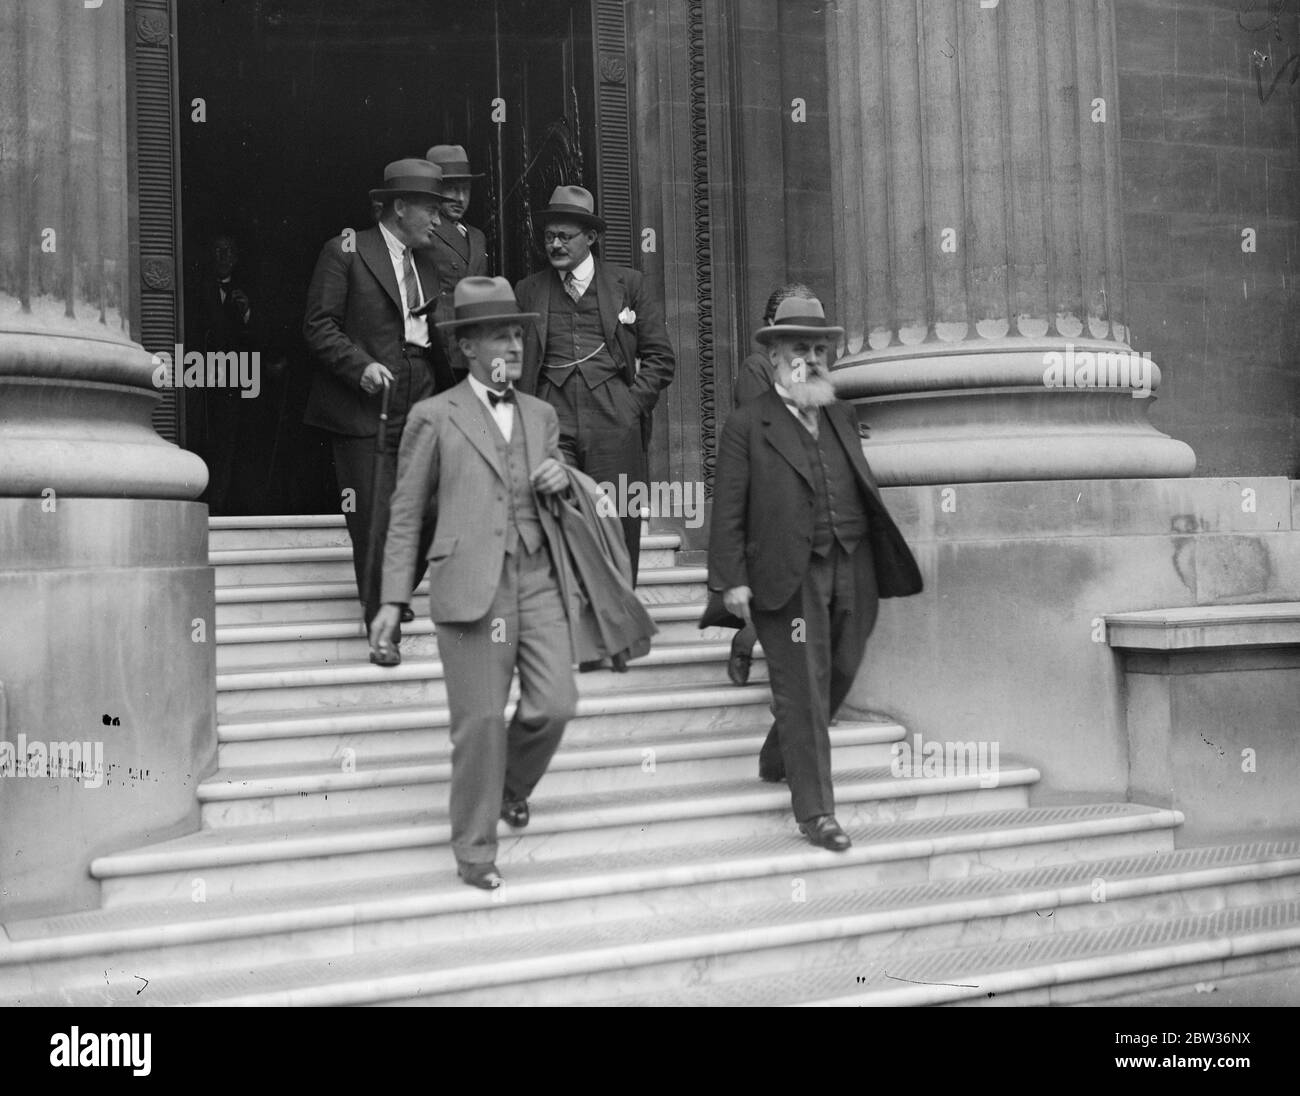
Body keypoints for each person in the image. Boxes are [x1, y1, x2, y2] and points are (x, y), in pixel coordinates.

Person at [371, 276, 578, 890]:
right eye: (498, 336)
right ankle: (474, 848)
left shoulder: (541, 415)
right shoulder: (432, 416)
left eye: (517, 333)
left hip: (535, 575)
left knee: (555, 704)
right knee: (482, 720)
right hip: (467, 583)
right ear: (466, 348)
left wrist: (559, 477)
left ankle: (508, 786)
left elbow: (556, 483)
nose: (513, 346)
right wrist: (391, 600)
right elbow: (405, 513)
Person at [707, 294, 923, 852]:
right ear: (776, 355)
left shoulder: (841, 414)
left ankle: (780, 752)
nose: (813, 356)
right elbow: (729, 507)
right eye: (801, 346)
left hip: (852, 563)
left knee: (843, 667)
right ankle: (817, 813)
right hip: (787, 575)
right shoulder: (746, 425)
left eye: (820, 347)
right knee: (803, 686)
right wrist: (731, 578)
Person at [302, 158, 458, 662]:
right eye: (430, 209)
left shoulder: (430, 262)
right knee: (374, 516)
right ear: (399, 208)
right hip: (363, 404)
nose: (438, 219)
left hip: (422, 393)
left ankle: (393, 594)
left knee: (436, 507)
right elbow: (319, 326)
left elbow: (439, 337)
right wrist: (360, 366)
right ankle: (381, 627)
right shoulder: (345, 251)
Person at [515, 185, 676, 584]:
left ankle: (620, 617)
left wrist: (630, 405)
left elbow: (661, 358)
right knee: (559, 515)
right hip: (552, 416)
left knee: (617, 518)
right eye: (549, 236)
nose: (554, 244)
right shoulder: (528, 290)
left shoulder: (628, 284)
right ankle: (572, 621)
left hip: (613, 417)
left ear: (590, 237)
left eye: (564, 237)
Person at [725, 283, 818, 685]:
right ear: (769, 325)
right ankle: (747, 641)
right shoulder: (756, 368)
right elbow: (758, 429)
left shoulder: (810, 368)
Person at [423, 144, 490, 378]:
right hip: (439, 351)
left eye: (466, 189)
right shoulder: (424, 231)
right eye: (451, 189)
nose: (460, 198)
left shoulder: (477, 236)